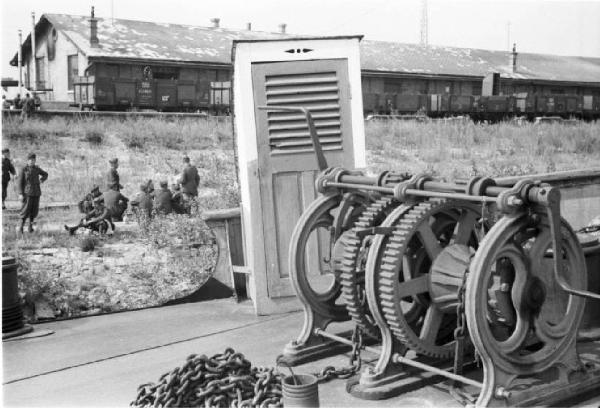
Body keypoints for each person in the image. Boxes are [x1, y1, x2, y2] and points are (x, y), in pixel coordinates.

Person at [17, 153, 48, 233]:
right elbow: (19, 182)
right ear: (28, 160)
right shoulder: (23, 169)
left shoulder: (37, 168)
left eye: (34, 160)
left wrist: (41, 180)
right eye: (31, 160)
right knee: (25, 210)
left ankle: (30, 227)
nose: (32, 161)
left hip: (36, 192)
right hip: (27, 193)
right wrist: (20, 193)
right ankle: (21, 227)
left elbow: (45, 174)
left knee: (34, 210)